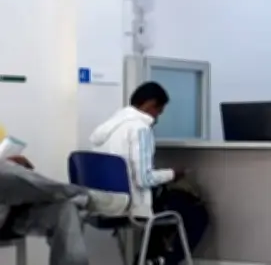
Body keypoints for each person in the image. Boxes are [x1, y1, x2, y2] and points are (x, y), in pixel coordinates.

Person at [0, 127, 129, 265]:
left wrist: (15, 164)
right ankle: (86, 196)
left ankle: (79, 196)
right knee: (3, 172)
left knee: (65, 208)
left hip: (10, 213)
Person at [90, 82, 185, 264]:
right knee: (190, 209)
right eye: (159, 112)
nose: (157, 119)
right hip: (127, 204)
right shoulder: (140, 129)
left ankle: (150, 258)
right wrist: (173, 174)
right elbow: (144, 179)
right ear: (150, 105)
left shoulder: (107, 128)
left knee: (165, 203)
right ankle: (156, 260)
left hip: (100, 202)